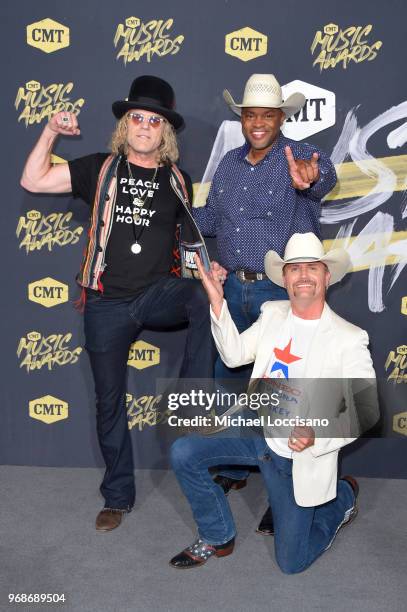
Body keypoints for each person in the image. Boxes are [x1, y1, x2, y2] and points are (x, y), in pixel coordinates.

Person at [20, 75, 223, 532]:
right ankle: (118, 496)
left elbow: (188, 240)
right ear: (125, 124)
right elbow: (32, 178)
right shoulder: (98, 167)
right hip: (106, 303)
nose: (145, 126)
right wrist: (51, 130)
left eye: (154, 120)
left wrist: (209, 273)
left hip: (155, 295)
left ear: (164, 131)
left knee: (200, 296)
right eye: (138, 118)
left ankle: (193, 402)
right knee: (109, 402)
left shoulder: (176, 180)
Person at [169, 232, 378, 573]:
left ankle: (341, 499)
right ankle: (217, 534)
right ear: (284, 278)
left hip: (294, 458)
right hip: (255, 431)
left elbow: (366, 411)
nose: (304, 276)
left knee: (291, 563)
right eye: (295, 269)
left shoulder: (348, 338)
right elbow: (235, 355)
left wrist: (317, 435)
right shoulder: (272, 313)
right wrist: (217, 301)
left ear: (327, 275)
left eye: (313, 267)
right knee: (183, 452)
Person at [193, 73, 338, 525]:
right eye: (250, 114)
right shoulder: (230, 165)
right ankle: (237, 464)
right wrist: (172, 211)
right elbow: (212, 218)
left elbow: (322, 179)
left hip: (280, 289)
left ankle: (284, 490)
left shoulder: (301, 156)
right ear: (242, 118)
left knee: (282, 391)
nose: (258, 122)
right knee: (229, 381)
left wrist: (309, 182)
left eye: (267, 115)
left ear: (280, 118)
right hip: (234, 286)